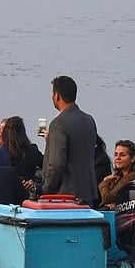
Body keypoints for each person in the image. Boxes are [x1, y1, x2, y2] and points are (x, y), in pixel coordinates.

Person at [41, 76, 99, 206]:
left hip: (64, 196)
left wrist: (46, 189)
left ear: (57, 95)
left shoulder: (58, 124)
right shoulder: (89, 120)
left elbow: (56, 164)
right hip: (87, 192)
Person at [0, 116, 43, 194]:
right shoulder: (32, 149)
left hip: (8, 194)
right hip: (28, 193)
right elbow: (47, 166)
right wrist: (34, 184)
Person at [98, 140, 135, 208]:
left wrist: (104, 182)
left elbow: (107, 198)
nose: (117, 158)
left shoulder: (133, 176)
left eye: (122, 155)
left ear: (133, 158)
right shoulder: (118, 177)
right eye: (116, 155)